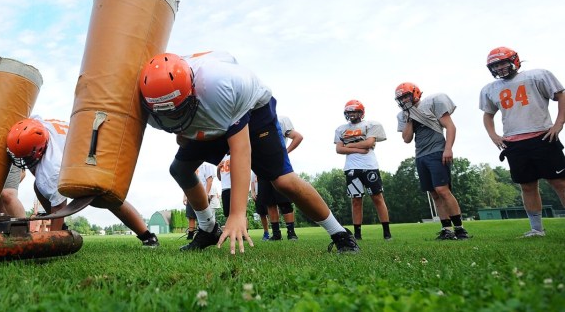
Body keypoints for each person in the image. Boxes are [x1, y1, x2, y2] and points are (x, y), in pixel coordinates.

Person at [139, 51, 358, 254]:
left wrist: (237, 214)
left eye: (178, 111)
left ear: (192, 89)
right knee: (180, 169)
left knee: (283, 181)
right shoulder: (146, 101)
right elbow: (179, 134)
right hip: (205, 112)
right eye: (168, 114)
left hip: (252, 112)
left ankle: (340, 233)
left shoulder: (223, 85)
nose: (174, 119)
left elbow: (240, 150)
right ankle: (208, 230)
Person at [7, 116, 159, 247]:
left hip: (92, 160)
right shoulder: (37, 123)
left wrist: (53, 239)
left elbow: (59, 207)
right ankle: (63, 229)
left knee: (108, 199)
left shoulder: (50, 169)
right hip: (90, 147)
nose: (24, 161)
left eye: (27, 156)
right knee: (38, 188)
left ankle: (147, 236)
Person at [479, 46, 565, 238]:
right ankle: (537, 229)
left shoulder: (538, 76)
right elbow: (488, 115)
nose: (499, 68)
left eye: (502, 62)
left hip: (542, 136)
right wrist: (494, 135)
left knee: (559, 181)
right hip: (514, 142)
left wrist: (559, 123)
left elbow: (561, 96)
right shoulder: (490, 89)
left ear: (514, 60)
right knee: (527, 185)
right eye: (495, 65)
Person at [395, 82, 471, 240]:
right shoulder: (405, 115)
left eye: (406, 96)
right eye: (401, 98)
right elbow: (407, 139)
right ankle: (446, 229)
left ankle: (460, 229)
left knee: (443, 190)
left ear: (415, 94)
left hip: (437, 151)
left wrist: (448, 148)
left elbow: (450, 127)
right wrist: (410, 118)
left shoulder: (431, 103)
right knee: (434, 194)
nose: (404, 101)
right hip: (420, 155)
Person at [335, 100, 392, 240]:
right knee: (356, 200)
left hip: (369, 166)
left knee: (377, 197)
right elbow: (339, 149)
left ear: (361, 112)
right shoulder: (341, 129)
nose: (351, 114)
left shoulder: (370, 124)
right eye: (349, 112)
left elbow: (369, 143)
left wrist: (348, 146)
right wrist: (358, 149)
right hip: (351, 167)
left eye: (354, 111)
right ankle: (358, 235)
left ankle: (387, 232)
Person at [257, 115, 301, 241]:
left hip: (279, 166)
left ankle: (291, 232)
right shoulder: (256, 121)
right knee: (270, 202)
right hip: (263, 167)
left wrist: (284, 152)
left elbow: (298, 137)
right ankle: (276, 234)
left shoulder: (280, 119)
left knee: (284, 201)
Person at [183, 163, 215, 239]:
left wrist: (206, 194)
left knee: (204, 216)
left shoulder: (207, 165)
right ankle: (190, 234)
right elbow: (186, 182)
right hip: (190, 193)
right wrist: (185, 195)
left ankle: (206, 233)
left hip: (202, 194)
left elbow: (209, 181)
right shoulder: (191, 165)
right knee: (191, 216)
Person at [248, 172, 271, 240]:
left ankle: (276, 231)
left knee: (272, 211)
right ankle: (266, 233)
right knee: (262, 214)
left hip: (267, 192)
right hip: (258, 194)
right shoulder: (253, 171)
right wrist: (252, 192)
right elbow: (252, 182)